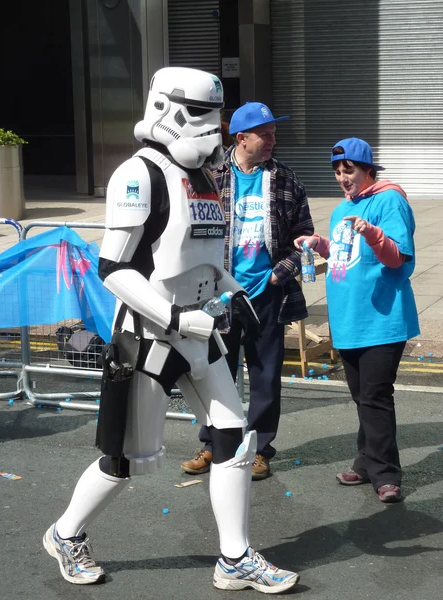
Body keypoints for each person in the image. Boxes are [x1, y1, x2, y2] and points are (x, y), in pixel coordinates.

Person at [42, 67, 299, 594]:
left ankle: (234, 557)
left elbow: (204, 254)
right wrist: (178, 318)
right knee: (122, 458)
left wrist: (235, 292)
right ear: (166, 108)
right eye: (202, 114)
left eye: (217, 117)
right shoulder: (137, 175)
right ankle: (66, 533)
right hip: (148, 337)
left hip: (201, 331)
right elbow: (114, 270)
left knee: (234, 436)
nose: (214, 130)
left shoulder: (204, 176)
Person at [181, 101, 314, 480]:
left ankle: (258, 449)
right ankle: (213, 445)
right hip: (216, 295)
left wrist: (278, 275)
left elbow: (301, 238)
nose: (273, 140)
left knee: (265, 375)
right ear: (241, 138)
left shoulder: (287, 180)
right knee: (213, 373)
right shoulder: (206, 176)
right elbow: (188, 231)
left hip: (267, 295)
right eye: (265, 134)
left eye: (274, 133)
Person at [294, 137, 419, 504]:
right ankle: (366, 463)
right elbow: (344, 254)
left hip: (381, 318)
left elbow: (397, 257)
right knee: (362, 398)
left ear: (368, 170)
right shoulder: (341, 210)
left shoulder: (389, 200)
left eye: (348, 170)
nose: (341, 177)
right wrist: (319, 245)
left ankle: (386, 475)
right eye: (336, 171)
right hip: (348, 319)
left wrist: (373, 233)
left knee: (376, 398)